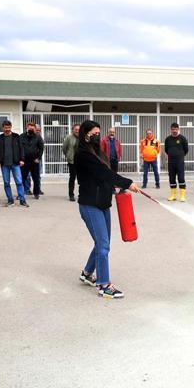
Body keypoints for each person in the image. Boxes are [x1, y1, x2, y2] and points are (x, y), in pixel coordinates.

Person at [75, 120, 139, 299]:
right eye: (93, 134)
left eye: (98, 133)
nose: (96, 136)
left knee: (102, 243)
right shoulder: (83, 154)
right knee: (103, 245)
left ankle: (87, 273)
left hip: (103, 203)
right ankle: (104, 285)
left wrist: (117, 187)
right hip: (90, 205)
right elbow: (104, 174)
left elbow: (105, 177)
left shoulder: (98, 152)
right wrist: (127, 182)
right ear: (85, 134)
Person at [0, 120, 27, 207]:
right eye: (6, 128)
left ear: (11, 127)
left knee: (19, 182)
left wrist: (22, 159)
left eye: (9, 127)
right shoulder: (0, 138)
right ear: (3, 128)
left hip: (15, 164)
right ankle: (10, 200)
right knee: (6, 183)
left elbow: (21, 149)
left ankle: (22, 200)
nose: (7, 129)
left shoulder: (16, 136)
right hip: (4, 164)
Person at [163, 122, 189, 202]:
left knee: (181, 178)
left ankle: (182, 196)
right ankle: (173, 195)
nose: (174, 130)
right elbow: (166, 149)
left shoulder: (182, 138)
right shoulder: (168, 139)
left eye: (176, 129)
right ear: (170, 129)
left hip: (179, 162)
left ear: (178, 129)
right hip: (171, 162)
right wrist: (171, 155)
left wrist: (179, 155)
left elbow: (186, 150)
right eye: (173, 129)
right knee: (171, 178)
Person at [20, 121, 45, 199]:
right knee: (22, 178)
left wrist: (39, 158)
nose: (30, 129)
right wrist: (20, 159)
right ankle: (21, 193)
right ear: (26, 127)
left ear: (34, 128)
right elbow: (19, 148)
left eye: (32, 128)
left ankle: (36, 193)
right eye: (29, 127)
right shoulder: (21, 136)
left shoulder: (38, 137)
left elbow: (41, 148)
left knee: (36, 178)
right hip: (24, 161)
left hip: (34, 161)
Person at [62, 124, 79, 201]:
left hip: (81, 161)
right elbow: (64, 148)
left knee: (82, 179)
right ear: (73, 130)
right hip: (72, 161)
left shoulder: (83, 137)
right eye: (76, 129)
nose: (77, 131)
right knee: (72, 178)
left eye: (79, 129)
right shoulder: (69, 137)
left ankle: (81, 194)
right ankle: (71, 194)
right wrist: (68, 156)